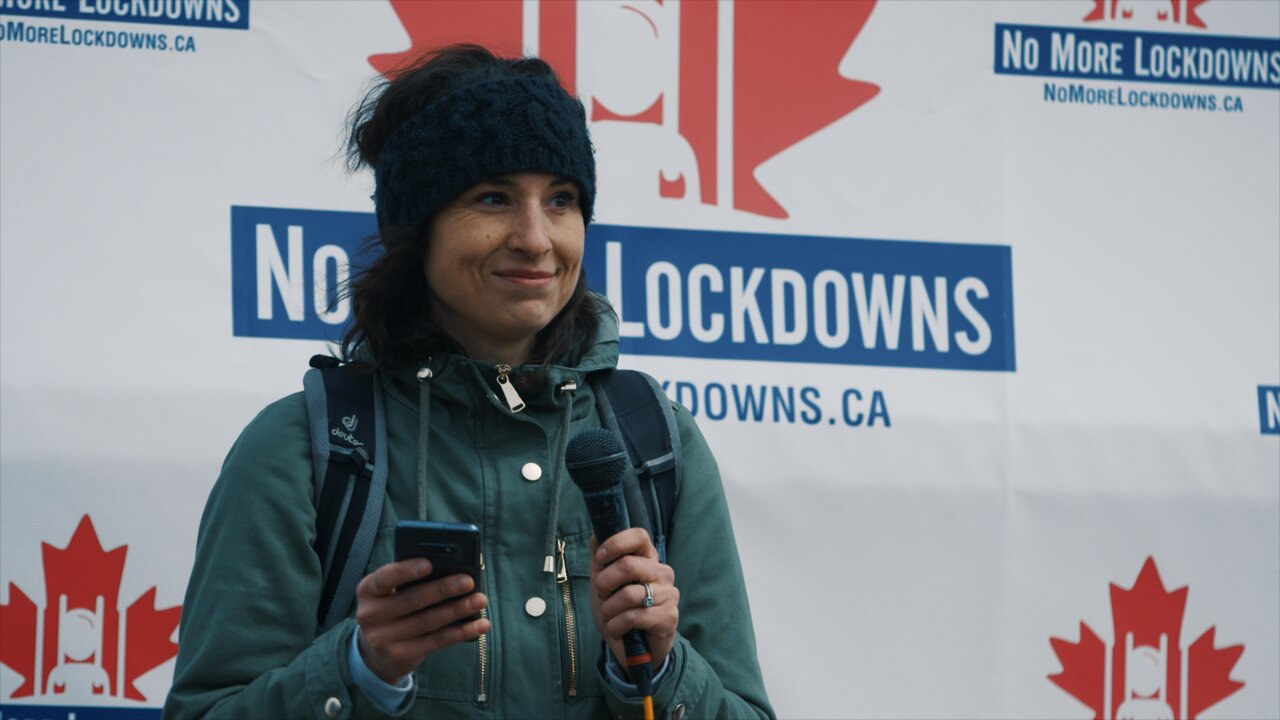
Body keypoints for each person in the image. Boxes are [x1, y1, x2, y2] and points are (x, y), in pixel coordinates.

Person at [163, 44, 773, 720]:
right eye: (493, 198)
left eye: (562, 200)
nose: (536, 239)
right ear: (416, 232)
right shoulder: (307, 447)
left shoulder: (653, 438)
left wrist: (657, 670)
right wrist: (360, 669)